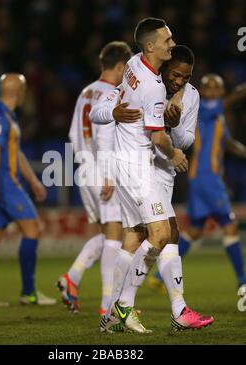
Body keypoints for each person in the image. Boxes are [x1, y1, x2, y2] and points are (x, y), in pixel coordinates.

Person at [90, 19, 213, 333]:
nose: (178, 81)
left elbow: (185, 138)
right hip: (141, 169)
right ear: (164, 62)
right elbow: (152, 132)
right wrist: (169, 144)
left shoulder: (190, 96)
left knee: (135, 237)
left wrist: (172, 128)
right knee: (165, 234)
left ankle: (111, 316)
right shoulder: (153, 82)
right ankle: (156, 307)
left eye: (184, 78)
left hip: (156, 172)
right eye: (175, 74)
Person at [57, 42, 133, 315]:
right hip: (103, 169)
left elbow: (73, 135)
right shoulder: (111, 93)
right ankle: (107, 306)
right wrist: (108, 173)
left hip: (85, 167)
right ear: (122, 66)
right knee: (116, 233)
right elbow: (103, 137)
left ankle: (72, 278)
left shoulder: (85, 91)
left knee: (110, 232)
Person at [152, 74, 246, 292]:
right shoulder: (203, 111)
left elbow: (229, 144)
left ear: (221, 91)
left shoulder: (218, 117)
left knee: (195, 230)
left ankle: (158, 276)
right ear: (202, 93)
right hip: (207, 178)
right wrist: (241, 91)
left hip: (202, 179)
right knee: (230, 225)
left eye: (216, 88)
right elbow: (228, 103)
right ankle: (242, 281)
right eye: (208, 88)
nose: (212, 92)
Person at [0, 73, 56, 307]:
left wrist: (34, 181)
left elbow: (15, 153)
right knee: (33, 229)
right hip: (4, 184)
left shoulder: (6, 115)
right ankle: (28, 293)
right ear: (20, 91)